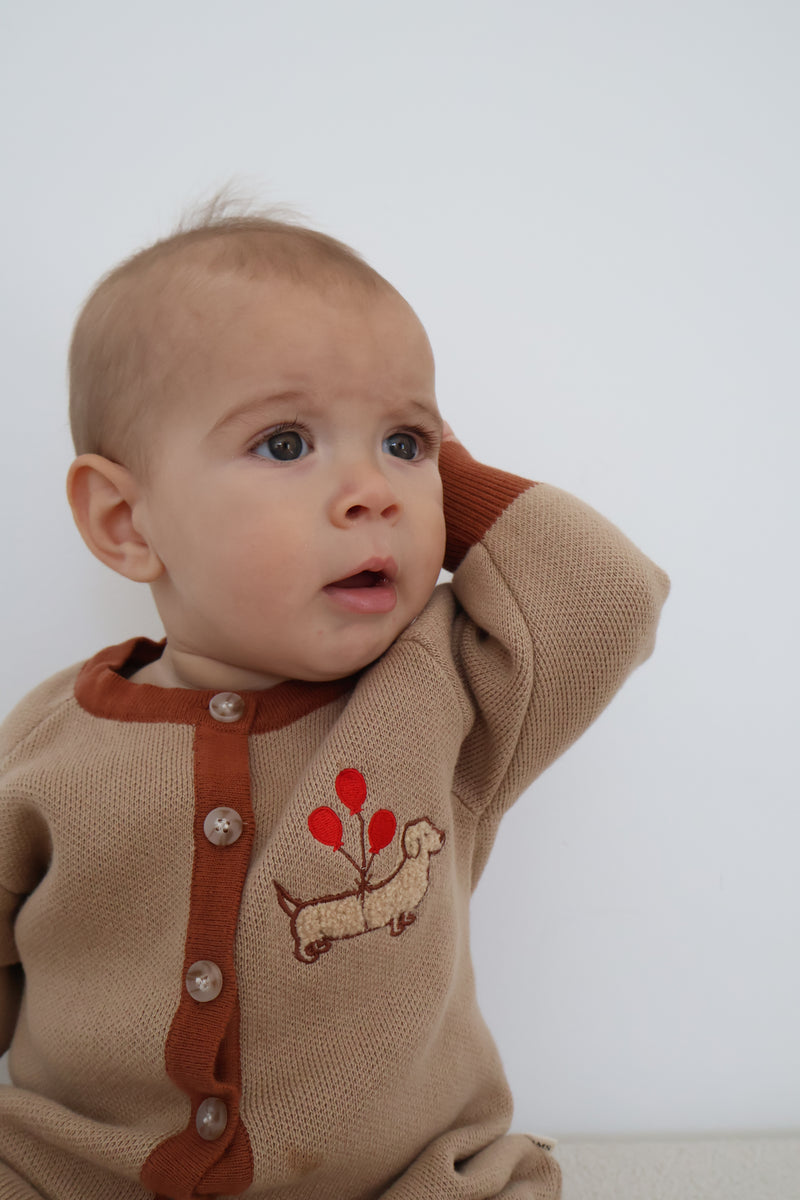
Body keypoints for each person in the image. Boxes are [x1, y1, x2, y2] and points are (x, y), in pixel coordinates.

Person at [0, 211, 669, 1199]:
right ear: (126, 521)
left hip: (405, 1177)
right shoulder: (52, 741)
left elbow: (606, 597)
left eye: (403, 442)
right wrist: (399, 450)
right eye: (285, 442)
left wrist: (448, 482)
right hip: (79, 1171)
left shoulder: (443, 696)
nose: (372, 492)